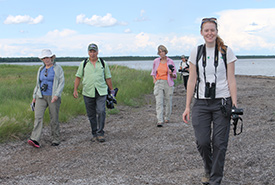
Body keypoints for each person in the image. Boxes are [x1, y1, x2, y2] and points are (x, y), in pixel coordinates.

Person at [182, 17, 238, 185]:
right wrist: (187, 107)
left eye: (212, 30)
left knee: (220, 144)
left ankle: (215, 180)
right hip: (201, 103)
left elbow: (231, 79)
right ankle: (208, 168)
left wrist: (234, 104)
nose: (209, 33)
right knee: (203, 142)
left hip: (222, 102)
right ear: (201, 32)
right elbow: (191, 80)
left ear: (217, 31)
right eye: (206, 30)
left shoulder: (226, 51)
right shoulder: (196, 52)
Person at [73, 43, 115, 142]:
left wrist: (112, 91)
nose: (92, 54)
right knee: (91, 114)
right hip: (88, 92)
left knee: (101, 111)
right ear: (88, 52)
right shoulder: (83, 63)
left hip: (101, 91)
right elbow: (78, 77)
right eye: (90, 52)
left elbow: (108, 77)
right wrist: (75, 89)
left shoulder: (103, 63)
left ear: (97, 52)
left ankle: (100, 133)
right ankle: (94, 133)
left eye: (94, 51)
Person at [28, 49, 65, 148]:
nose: (46, 59)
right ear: (42, 59)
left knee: (54, 118)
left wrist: (56, 95)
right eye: (44, 58)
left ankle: (56, 138)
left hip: (53, 96)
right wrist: (34, 97)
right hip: (41, 96)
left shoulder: (57, 68)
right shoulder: (41, 69)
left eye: (48, 57)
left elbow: (61, 82)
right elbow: (38, 84)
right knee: (38, 117)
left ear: (52, 58)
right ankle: (35, 139)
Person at [151, 45, 177, 127]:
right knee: (159, 101)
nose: (161, 53)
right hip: (158, 82)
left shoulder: (170, 61)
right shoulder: (156, 61)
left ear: (165, 52)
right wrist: (154, 80)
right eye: (159, 52)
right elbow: (153, 72)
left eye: (162, 51)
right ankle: (160, 120)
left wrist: (171, 74)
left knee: (168, 101)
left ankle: (167, 117)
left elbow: (175, 75)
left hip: (168, 83)